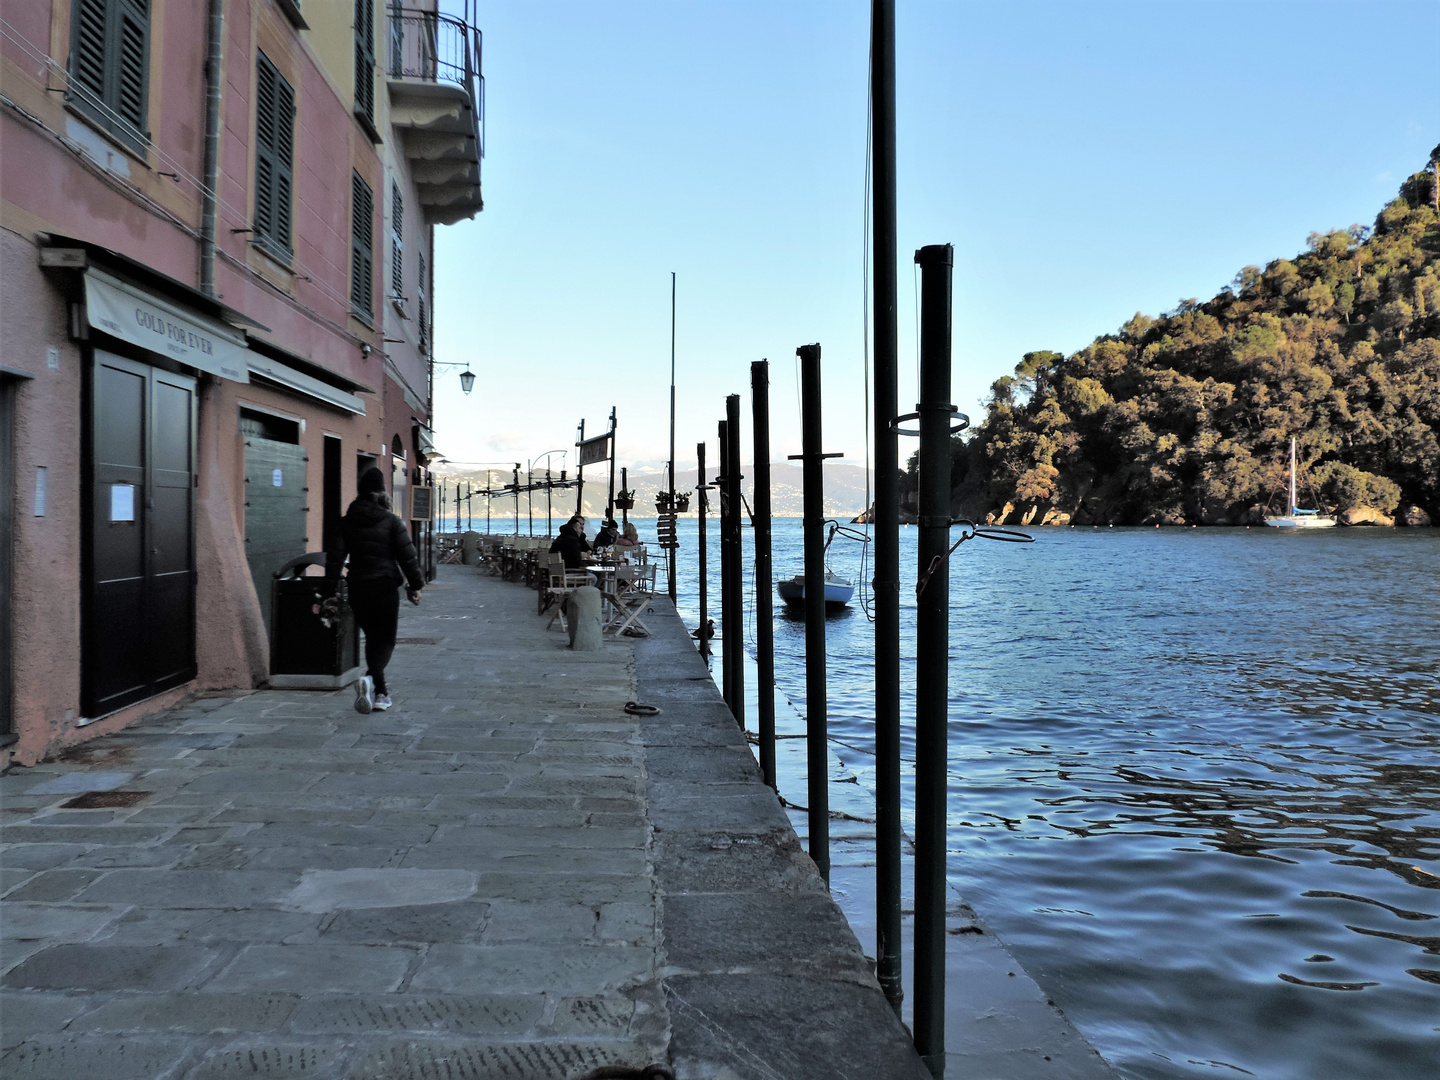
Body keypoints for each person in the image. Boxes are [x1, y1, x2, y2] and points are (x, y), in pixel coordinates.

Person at [326, 467, 424, 713]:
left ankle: (380, 693)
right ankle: (372, 682)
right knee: (385, 640)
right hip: (384, 586)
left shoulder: (346, 522)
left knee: (372, 637)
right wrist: (415, 586)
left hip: (358, 585)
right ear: (381, 492)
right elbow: (407, 557)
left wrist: (329, 590)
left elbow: (334, 559)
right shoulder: (391, 521)